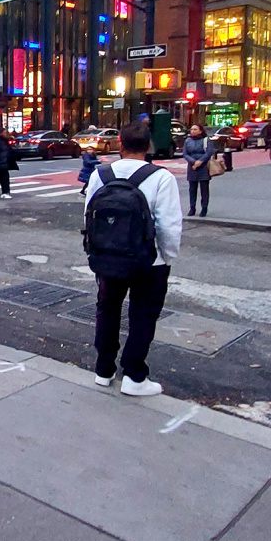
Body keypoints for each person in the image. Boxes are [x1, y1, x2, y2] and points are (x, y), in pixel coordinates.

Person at [83, 122, 182, 397]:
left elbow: (89, 215)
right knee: (143, 315)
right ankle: (134, 375)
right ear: (148, 145)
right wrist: (167, 256)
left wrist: (95, 250)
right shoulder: (161, 177)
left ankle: (103, 370)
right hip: (148, 261)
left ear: (119, 144)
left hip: (108, 257)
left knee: (107, 308)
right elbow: (169, 224)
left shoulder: (99, 175)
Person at [182, 124, 216, 218]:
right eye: (192, 129)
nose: (193, 131)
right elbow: (185, 154)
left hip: (204, 167)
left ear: (200, 131)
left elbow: (209, 152)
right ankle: (192, 207)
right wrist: (193, 162)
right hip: (192, 167)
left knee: (204, 189)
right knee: (192, 189)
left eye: (195, 129)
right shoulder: (188, 141)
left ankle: (204, 208)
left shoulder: (206, 140)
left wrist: (200, 161)